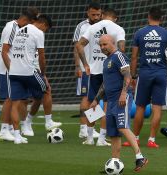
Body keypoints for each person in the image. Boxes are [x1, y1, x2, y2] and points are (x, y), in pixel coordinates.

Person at [123, 6, 167, 148]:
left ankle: (136, 139)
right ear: (161, 18)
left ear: (148, 17)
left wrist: (132, 76)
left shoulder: (140, 33)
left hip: (144, 74)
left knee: (140, 107)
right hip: (161, 74)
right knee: (157, 108)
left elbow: (133, 57)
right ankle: (151, 140)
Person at [91, 34, 148, 172]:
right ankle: (114, 164)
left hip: (121, 98)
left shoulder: (119, 56)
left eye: (105, 44)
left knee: (122, 126)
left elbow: (127, 75)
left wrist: (123, 93)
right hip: (110, 101)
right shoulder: (106, 61)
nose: (102, 47)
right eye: (100, 45)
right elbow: (105, 83)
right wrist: (96, 99)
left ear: (113, 43)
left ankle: (140, 157)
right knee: (114, 133)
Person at [76, 8, 125, 146]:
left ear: (102, 15)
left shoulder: (93, 28)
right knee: (108, 105)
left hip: (93, 70)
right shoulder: (118, 29)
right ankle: (102, 139)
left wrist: (85, 64)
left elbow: (79, 45)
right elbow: (122, 50)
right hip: (110, 71)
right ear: (115, 18)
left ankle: (90, 137)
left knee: (93, 103)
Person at [7, 14, 52, 144]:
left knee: (16, 103)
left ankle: (17, 136)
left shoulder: (19, 31)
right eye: (46, 29)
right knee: (47, 90)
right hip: (29, 72)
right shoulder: (38, 33)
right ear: (43, 24)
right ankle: (49, 122)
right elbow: (41, 57)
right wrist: (43, 74)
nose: (45, 31)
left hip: (14, 72)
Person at [0, 7, 39, 141]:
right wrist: (12, 70)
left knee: (15, 99)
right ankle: (4, 130)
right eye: (31, 23)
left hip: (13, 69)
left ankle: (9, 129)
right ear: (27, 20)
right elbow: (5, 51)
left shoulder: (18, 28)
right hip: (7, 69)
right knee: (10, 99)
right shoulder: (12, 27)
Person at [73, 2, 102, 139]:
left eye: (98, 14)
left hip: (99, 68)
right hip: (86, 68)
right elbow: (76, 47)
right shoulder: (82, 26)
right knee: (86, 97)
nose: (96, 17)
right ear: (88, 13)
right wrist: (78, 66)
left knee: (96, 98)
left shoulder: (103, 26)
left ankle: (91, 128)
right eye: (93, 14)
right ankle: (83, 128)